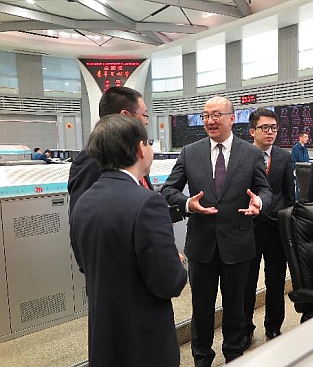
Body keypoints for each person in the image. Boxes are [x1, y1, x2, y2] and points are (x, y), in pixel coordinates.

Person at [161, 96, 272, 366]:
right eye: (206, 115)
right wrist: (188, 203)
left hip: (238, 244)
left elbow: (265, 190)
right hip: (202, 246)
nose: (210, 120)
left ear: (232, 118)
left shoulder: (251, 153)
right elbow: (169, 190)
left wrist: (259, 202)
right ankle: (202, 358)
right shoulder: (190, 152)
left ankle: (234, 355)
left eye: (217, 115)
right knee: (202, 309)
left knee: (235, 307)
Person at [69, 114, 187, 367]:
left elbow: (85, 262)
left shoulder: (84, 201)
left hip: (104, 337)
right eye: (149, 142)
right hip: (144, 343)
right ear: (139, 149)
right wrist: (179, 264)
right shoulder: (147, 202)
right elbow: (170, 283)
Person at [243, 108, 295, 343]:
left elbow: (288, 194)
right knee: (247, 281)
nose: (270, 132)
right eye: (265, 128)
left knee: (276, 280)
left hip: (276, 229)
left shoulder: (284, 157)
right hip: (249, 227)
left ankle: (273, 326)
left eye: (274, 128)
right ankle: (245, 327)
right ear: (252, 130)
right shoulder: (241, 155)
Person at [68, 86, 152, 214]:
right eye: (144, 115)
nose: (146, 122)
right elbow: (83, 216)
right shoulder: (92, 156)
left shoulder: (133, 151)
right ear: (125, 115)